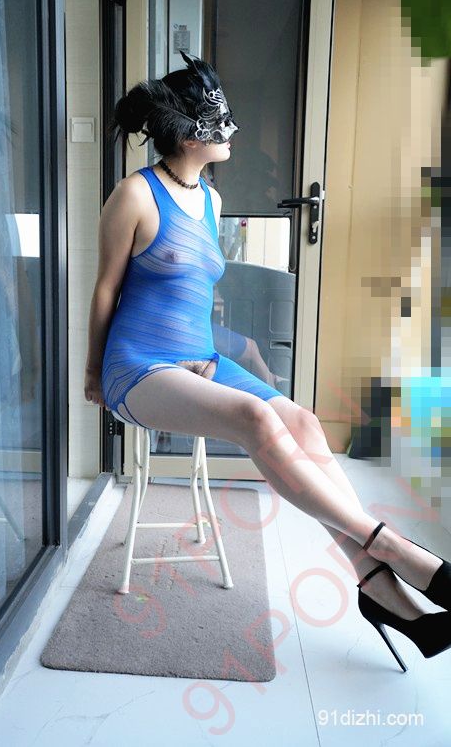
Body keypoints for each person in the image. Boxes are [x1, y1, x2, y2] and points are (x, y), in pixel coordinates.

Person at [84, 51, 451, 668]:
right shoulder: (135, 194)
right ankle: (393, 549)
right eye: (222, 122)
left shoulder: (210, 199)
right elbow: (105, 290)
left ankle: (380, 590)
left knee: (302, 421)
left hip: (198, 356)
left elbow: (191, 301)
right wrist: (94, 372)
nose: (234, 131)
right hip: (138, 367)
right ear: (190, 133)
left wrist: (236, 350)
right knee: (257, 421)